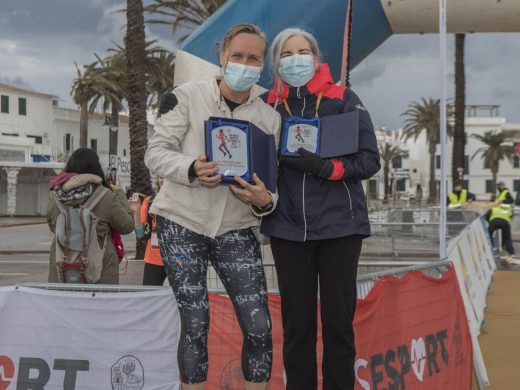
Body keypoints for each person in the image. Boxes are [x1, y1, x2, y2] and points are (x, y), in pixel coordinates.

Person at [144, 24, 280, 390]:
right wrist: (191, 169)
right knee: (195, 322)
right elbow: (155, 153)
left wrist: (265, 201)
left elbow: (273, 188)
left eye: (253, 58)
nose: (244, 64)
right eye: (237, 56)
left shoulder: (270, 118)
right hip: (181, 221)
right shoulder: (186, 96)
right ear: (223, 57)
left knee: (259, 327)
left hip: (236, 227)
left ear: (263, 64)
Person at [261, 28, 380, 390]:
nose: (296, 59)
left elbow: (370, 160)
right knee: (297, 329)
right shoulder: (266, 105)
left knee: (338, 326)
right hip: (287, 229)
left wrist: (327, 169)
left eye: (303, 52)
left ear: (316, 57)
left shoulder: (343, 98)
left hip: (340, 229)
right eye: (287, 53)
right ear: (276, 62)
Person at [46, 148, 134, 284]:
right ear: (96, 167)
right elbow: (127, 225)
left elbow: (53, 226)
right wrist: (118, 192)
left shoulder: (55, 196)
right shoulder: (105, 195)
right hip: (101, 270)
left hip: (62, 267)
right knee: (99, 304)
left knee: (63, 303)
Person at [129, 176, 167, 286]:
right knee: (149, 298)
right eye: (160, 177)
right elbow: (141, 234)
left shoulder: (181, 203)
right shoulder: (149, 202)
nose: (162, 180)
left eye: (165, 176)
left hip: (176, 260)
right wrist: (136, 212)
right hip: (153, 260)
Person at [486, 181, 515, 258]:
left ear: (501, 186)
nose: (497, 188)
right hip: (505, 220)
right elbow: (511, 213)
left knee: (489, 234)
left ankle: (493, 250)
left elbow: (510, 200)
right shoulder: (500, 195)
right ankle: (512, 253)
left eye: (498, 186)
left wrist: (489, 222)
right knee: (507, 237)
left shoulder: (505, 192)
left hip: (495, 220)